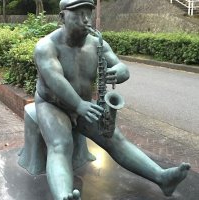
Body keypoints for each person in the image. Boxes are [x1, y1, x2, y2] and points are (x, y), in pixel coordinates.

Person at [33, 0, 190, 199]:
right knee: (60, 144)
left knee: (115, 139)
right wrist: (79, 105)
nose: (86, 20)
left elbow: (122, 68)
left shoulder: (97, 42)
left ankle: (162, 177)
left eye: (88, 13)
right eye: (78, 14)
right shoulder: (45, 46)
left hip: (84, 105)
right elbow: (55, 80)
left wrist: (119, 71)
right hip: (52, 104)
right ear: (62, 16)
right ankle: (63, 195)